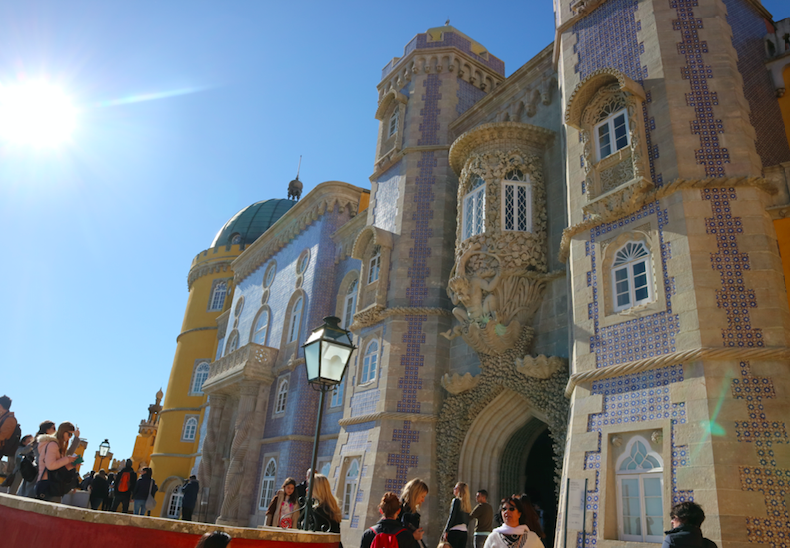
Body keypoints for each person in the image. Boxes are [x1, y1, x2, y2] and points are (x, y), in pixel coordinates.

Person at [35, 421, 79, 503]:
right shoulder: (53, 445)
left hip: (52, 484)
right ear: (63, 432)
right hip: (48, 484)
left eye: (72, 435)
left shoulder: (58, 446)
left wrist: (71, 465)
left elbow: (58, 467)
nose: (70, 437)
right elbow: (50, 465)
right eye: (69, 434)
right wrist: (67, 459)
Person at [399, 478, 428, 546]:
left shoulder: (412, 513)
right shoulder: (399, 511)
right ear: (415, 494)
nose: (423, 500)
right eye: (422, 496)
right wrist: (412, 536)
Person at [443, 482, 472, 548]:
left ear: (459, 490)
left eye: (455, 488)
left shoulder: (456, 501)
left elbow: (452, 516)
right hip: (464, 532)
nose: (454, 489)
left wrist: (446, 531)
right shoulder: (467, 504)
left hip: (454, 531)